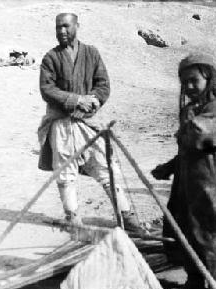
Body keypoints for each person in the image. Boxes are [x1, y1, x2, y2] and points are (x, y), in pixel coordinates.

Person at [37, 13, 142, 231]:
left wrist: (92, 101)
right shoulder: (50, 58)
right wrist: (76, 100)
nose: (62, 31)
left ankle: (126, 216)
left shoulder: (92, 54)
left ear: (77, 26)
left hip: (89, 123)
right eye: (58, 28)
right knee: (65, 170)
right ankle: (73, 218)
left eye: (66, 26)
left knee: (106, 166)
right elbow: (47, 90)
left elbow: (103, 84)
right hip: (62, 124)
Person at [151, 53, 216, 289]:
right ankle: (195, 283)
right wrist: (169, 167)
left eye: (193, 80)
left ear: (209, 79)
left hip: (211, 184)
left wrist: (187, 124)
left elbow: (197, 136)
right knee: (186, 230)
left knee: (212, 233)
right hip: (187, 185)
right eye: (183, 82)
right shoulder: (190, 111)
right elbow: (185, 150)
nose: (187, 87)